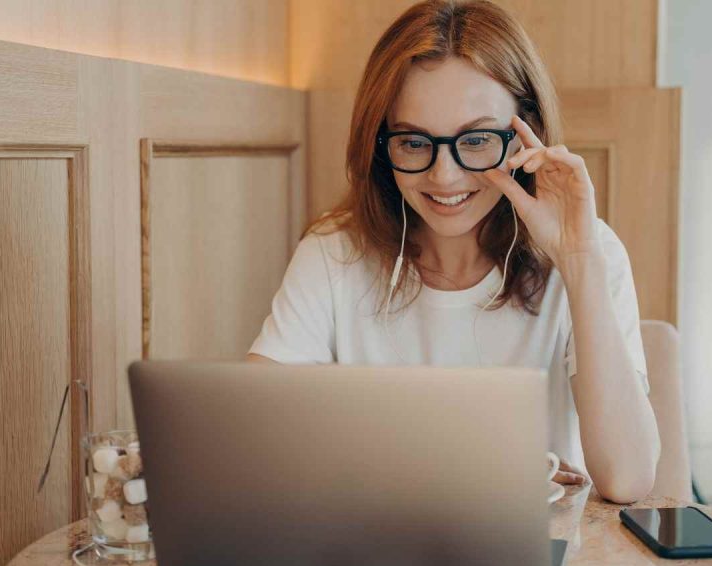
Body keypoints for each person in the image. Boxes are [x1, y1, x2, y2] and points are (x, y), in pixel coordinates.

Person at [247, 0, 659, 503]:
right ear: (381, 143)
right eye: (415, 143)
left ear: (525, 134)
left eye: (478, 139)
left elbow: (628, 478)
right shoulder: (335, 253)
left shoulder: (590, 252)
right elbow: (254, 442)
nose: (444, 176)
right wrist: (479, 473)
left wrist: (578, 262)